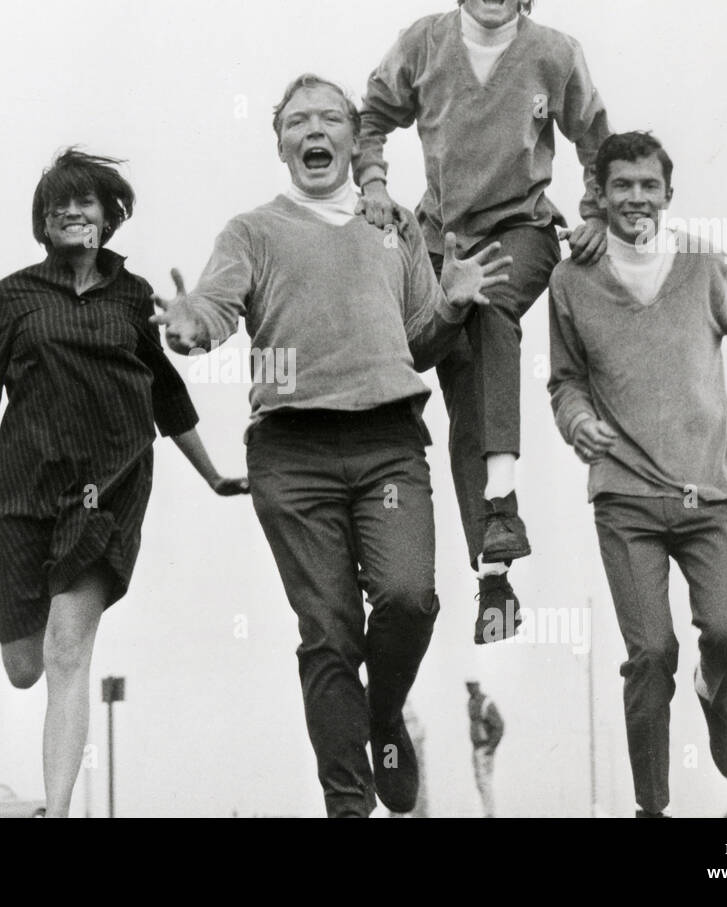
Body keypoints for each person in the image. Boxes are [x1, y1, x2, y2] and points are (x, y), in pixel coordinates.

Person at [151, 74, 511, 817]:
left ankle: (383, 719)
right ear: (280, 143)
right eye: (296, 122)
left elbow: (417, 339)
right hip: (292, 451)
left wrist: (452, 299)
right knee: (330, 631)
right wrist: (191, 325)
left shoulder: (395, 224)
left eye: (329, 119)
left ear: (354, 138)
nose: (313, 132)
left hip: (387, 443)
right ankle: (347, 804)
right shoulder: (252, 231)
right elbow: (213, 311)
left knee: (411, 598)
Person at [0, 149, 246, 818]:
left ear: (109, 215)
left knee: (67, 649)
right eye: (56, 205)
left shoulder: (135, 298)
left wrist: (216, 473)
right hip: (23, 493)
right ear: (42, 223)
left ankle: (55, 807)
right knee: (25, 665)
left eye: (84, 202)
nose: (70, 212)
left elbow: (167, 397)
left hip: (108, 485)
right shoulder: (15, 295)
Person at [547, 131, 727, 817]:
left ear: (668, 193)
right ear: (600, 196)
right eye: (621, 186)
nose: (635, 197)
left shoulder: (702, 264)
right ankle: (652, 808)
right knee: (649, 654)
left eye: (648, 185)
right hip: (625, 495)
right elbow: (565, 381)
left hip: (708, 492)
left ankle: (716, 691)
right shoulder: (571, 280)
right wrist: (577, 420)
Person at [354, 0, 612, 644]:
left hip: (521, 228)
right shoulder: (425, 43)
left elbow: (597, 138)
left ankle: (501, 504)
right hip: (440, 238)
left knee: (492, 308)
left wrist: (593, 211)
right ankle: (494, 578)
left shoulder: (554, 54)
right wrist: (373, 182)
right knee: (462, 366)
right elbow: (370, 116)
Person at [466, 679, 503, 817]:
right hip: (477, 748)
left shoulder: (486, 703)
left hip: (484, 748)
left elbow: (499, 726)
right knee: (481, 783)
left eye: (471, 685)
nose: (469, 688)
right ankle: (487, 812)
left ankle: (489, 814)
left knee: (484, 782)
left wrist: (491, 747)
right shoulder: (471, 702)